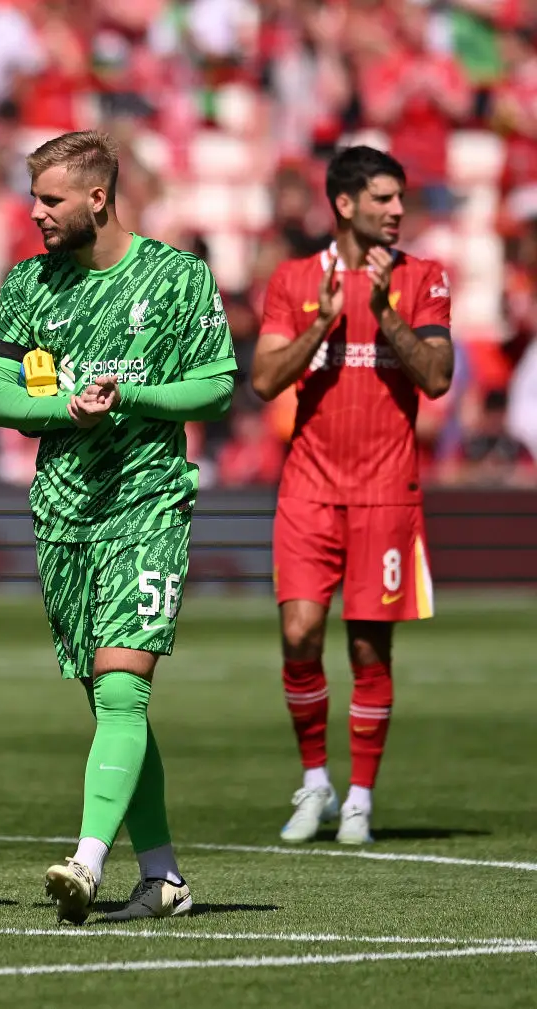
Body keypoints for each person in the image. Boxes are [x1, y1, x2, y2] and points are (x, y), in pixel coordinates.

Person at [0, 130, 236, 924]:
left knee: (123, 688)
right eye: (33, 197)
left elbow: (216, 386)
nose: (36, 213)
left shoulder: (179, 276)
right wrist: (68, 408)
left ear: (97, 197)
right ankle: (162, 876)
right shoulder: (29, 283)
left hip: (148, 503)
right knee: (112, 701)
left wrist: (132, 397)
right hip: (62, 512)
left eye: (49, 199)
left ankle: (86, 862)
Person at [251, 145, 454, 846]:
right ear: (344, 204)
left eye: (399, 198)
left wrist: (384, 311)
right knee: (299, 634)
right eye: (383, 198)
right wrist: (323, 322)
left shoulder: (424, 276)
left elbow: (437, 378)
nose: (397, 210)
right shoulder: (294, 278)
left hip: (386, 492)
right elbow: (264, 380)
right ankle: (316, 781)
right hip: (308, 489)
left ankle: (360, 797)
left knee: (369, 649)